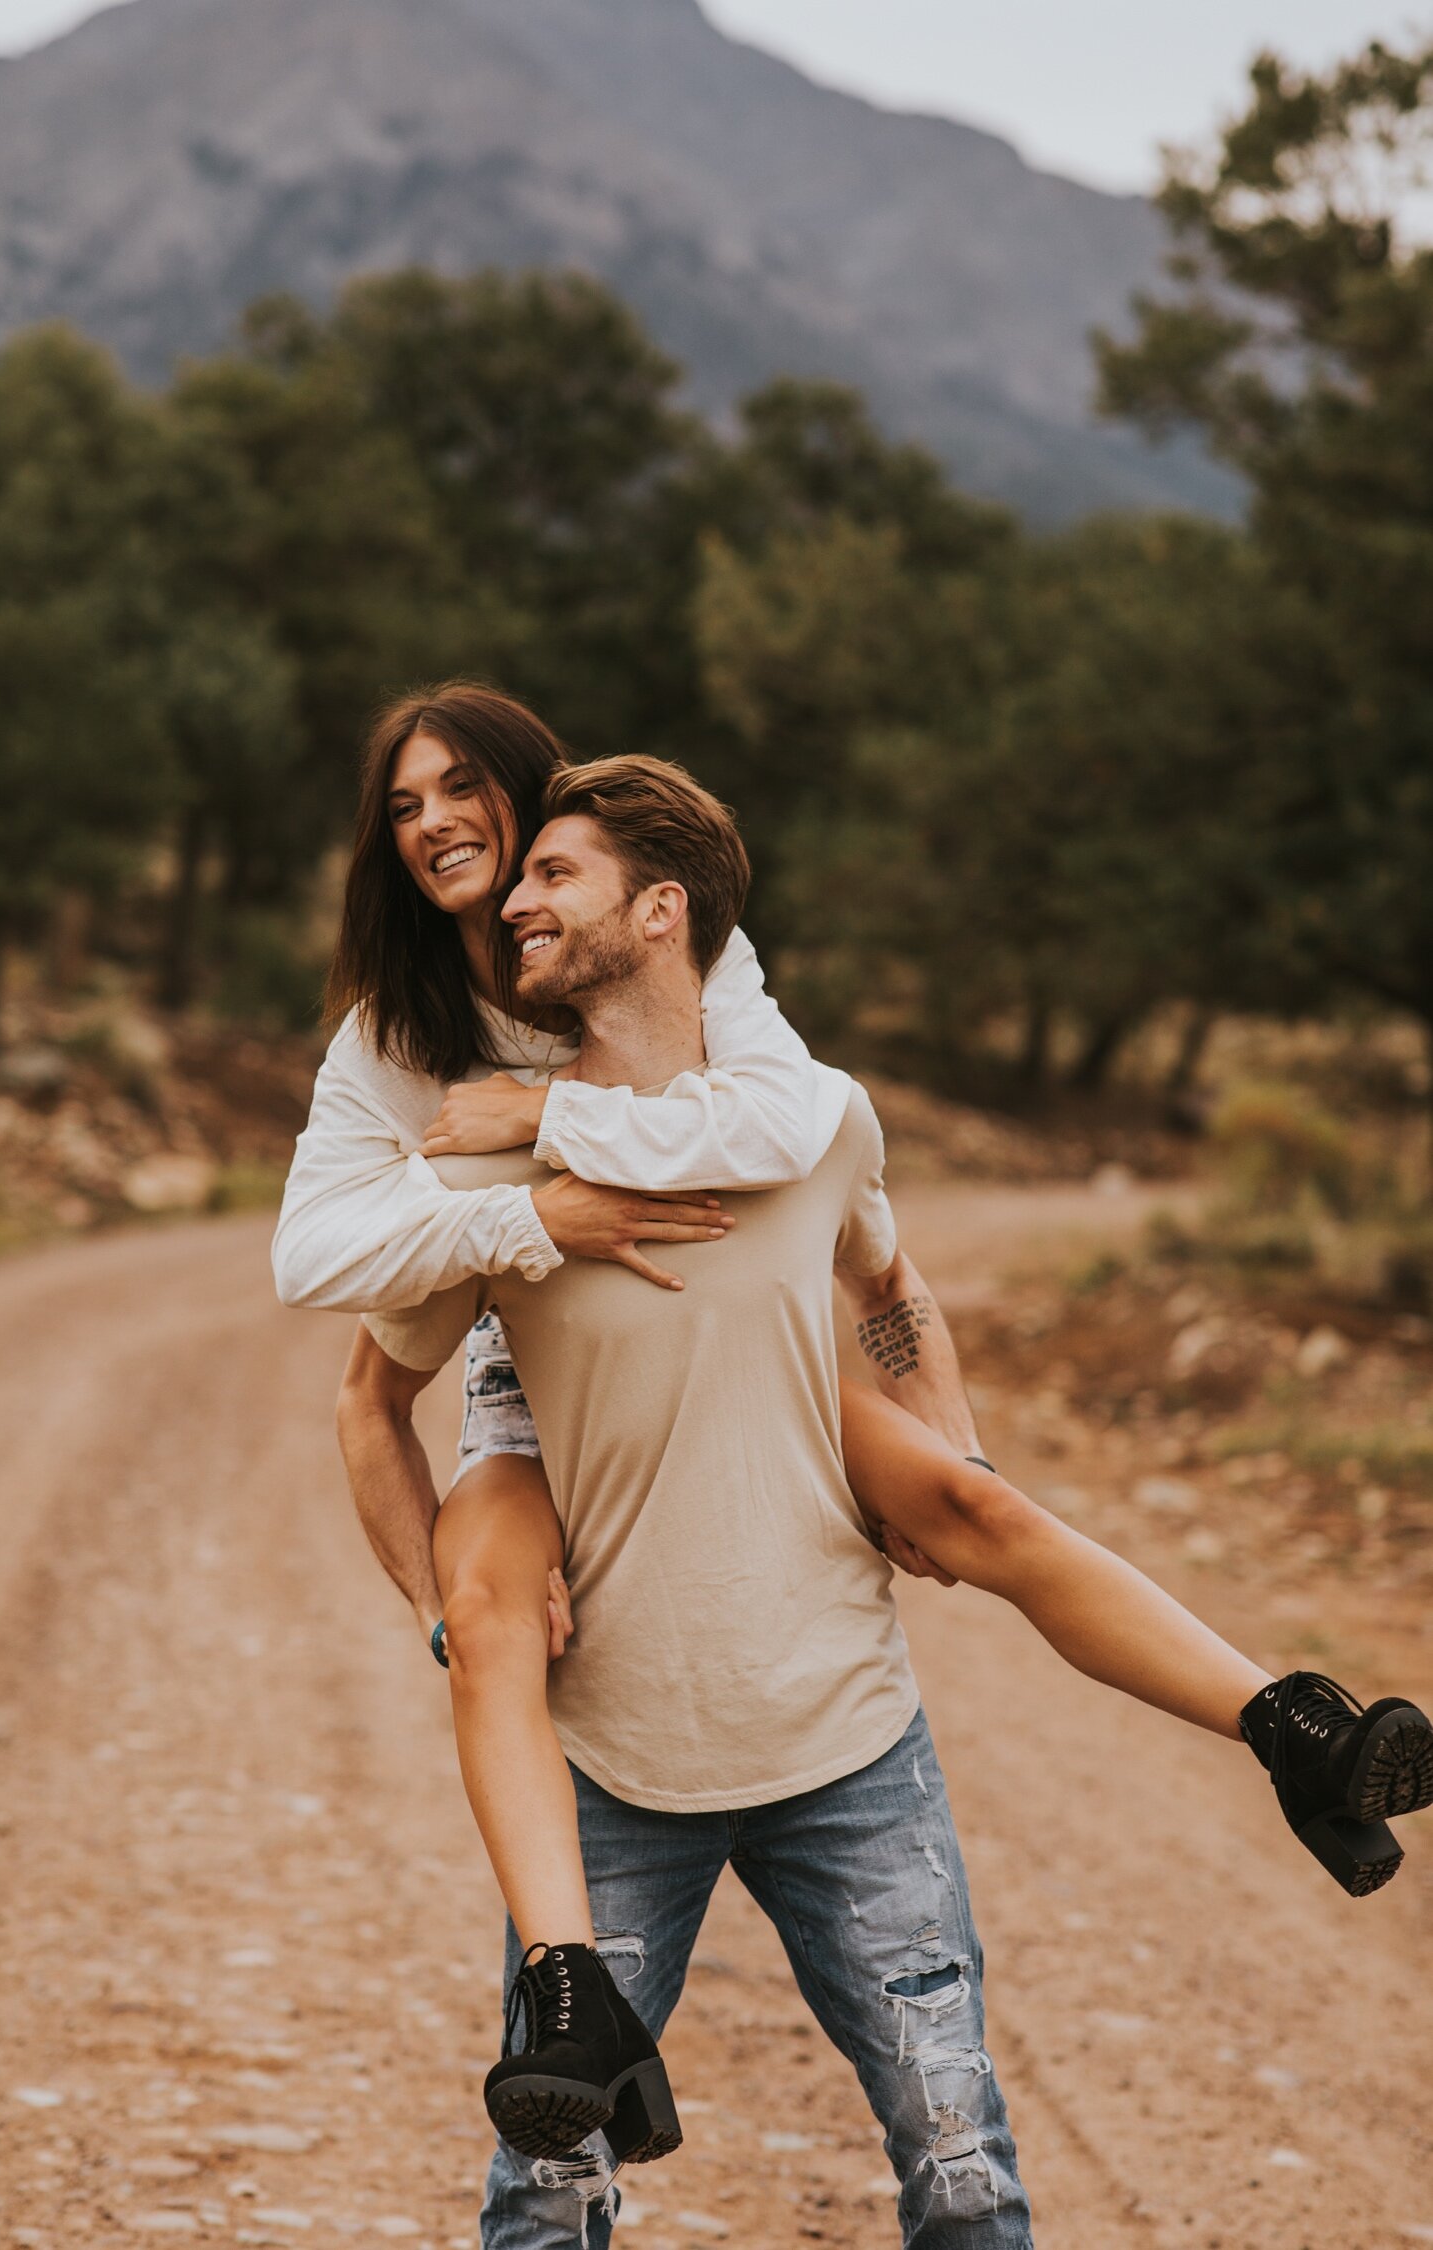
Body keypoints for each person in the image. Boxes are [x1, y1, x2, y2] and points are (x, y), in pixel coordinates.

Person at [277, 695, 1432, 2225]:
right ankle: (570, 1990)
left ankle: (1287, 1720)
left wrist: (945, 1447)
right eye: (408, 803)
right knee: (492, 1620)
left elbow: (878, 1267)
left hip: (827, 1660)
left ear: (655, 902)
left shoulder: (792, 1099)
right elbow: (353, 1346)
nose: (462, 845)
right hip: (525, 1373)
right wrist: (526, 1207)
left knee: (972, 1502)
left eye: (499, 818)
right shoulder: (422, 1074)